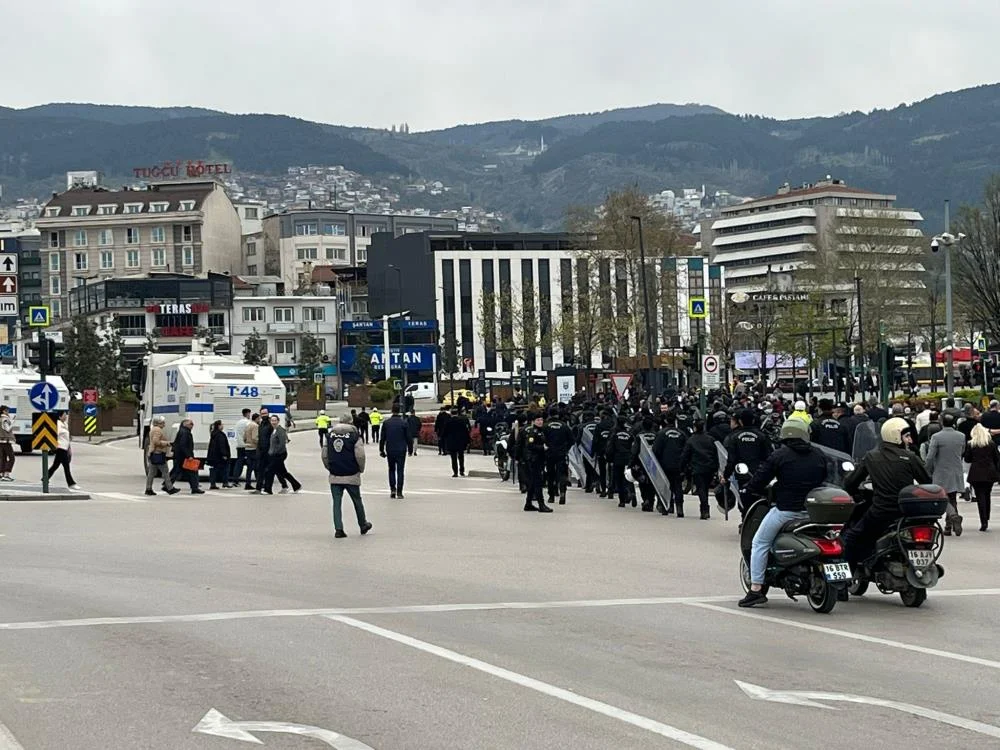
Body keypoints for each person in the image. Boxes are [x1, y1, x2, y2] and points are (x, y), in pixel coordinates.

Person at [738, 419, 828, 608]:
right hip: (813, 511)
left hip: (787, 511)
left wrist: (749, 488)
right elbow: (824, 478)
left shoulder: (780, 455)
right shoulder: (819, 455)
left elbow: (761, 479)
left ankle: (755, 589)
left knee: (759, 542)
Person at [842, 417, 931, 563]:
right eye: (907, 436)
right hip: (907, 512)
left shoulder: (871, 457)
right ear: (896, 436)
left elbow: (851, 482)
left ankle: (845, 577)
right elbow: (927, 481)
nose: (910, 441)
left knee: (851, 537)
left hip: (881, 511)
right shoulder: (910, 457)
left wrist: (851, 490)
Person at [323, 414, 372, 538]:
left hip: (335, 473)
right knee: (357, 500)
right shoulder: (355, 436)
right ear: (351, 422)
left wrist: (329, 467)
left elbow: (324, 454)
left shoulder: (330, 436)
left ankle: (338, 529)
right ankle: (363, 524)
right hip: (351, 473)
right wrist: (360, 469)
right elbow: (360, 455)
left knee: (336, 502)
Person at [924, 413, 965, 536]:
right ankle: (949, 525)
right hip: (956, 470)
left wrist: (926, 469)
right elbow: (962, 451)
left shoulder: (936, 437)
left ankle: (952, 516)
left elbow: (930, 457)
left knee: (942, 497)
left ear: (942, 423)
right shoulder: (961, 436)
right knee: (952, 498)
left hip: (941, 471)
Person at [680, 419, 718, 520]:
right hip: (709, 467)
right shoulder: (711, 439)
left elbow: (685, 455)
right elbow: (716, 453)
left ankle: (704, 509)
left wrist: (682, 468)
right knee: (705, 487)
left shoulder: (691, 440)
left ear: (695, 427)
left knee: (701, 488)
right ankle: (705, 508)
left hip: (697, 467)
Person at [964, 423, 998, 532]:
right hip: (990, 472)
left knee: (980, 497)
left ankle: (983, 521)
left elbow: (967, 459)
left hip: (976, 473)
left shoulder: (971, 444)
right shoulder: (991, 444)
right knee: (987, 494)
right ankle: (986, 516)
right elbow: (997, 458)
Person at [652, 411, 687, 516]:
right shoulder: (682, 434)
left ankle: (666, 506)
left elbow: (656, 450)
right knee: (677, 486)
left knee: (665, 486)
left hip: (664, 464)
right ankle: (679, 508)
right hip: (678, 464)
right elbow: (686, 449)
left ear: (666, 420)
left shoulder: (661, 434)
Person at [521, 413, 553, 513]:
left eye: (541, 420)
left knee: (532, 483)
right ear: (533, 421)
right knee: (538, 482)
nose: (540, 422)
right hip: (534, 460)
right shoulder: (532, 431)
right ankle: (541, 504)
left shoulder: (541, 431)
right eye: (538, 420)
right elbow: (529, 445)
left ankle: (528, 503)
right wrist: (542, 448)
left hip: (539, 459)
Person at [379, 405, 411, 498]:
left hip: (390, 449)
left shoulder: (386, 423)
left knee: (391, 469)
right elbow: (408, 437)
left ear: (392, 410)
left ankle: (393, 489)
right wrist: (410, 449)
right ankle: (399, 491)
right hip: (401, 449)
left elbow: (382, 438)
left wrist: (381, 450)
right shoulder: (404, 423)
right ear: (399, 411)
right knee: (400, 470)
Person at [264, 414, 302, 494]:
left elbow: (281, 444)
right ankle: (296, 485)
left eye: (275, 420)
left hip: (279, 455)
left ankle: (268, 490)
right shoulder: (274, 430)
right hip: (273, 454)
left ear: (278, 421)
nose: (273, 422)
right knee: (282, 472)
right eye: (272, 420)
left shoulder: (280, 430)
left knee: (269, 471)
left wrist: (274, 453)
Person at [543, 407, 574, 505]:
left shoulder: (545, 426)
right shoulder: (564, 426)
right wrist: (566, 448)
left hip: (549, 453)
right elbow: (572, 440)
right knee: (562, 474)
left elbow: (541, 439)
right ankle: (563, 492)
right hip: (561, 453)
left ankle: (551, 495)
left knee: (550, 474)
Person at [144, 415, 179, 496]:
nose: (164, 424)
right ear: (158, 423)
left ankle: (148, 488)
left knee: (151, 473)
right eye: (162, 423)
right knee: (165, 471)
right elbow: (156, 441)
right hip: (158, 453)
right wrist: (167, 443)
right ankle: (170, 488)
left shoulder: (154, 429)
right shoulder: (157, 430)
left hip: (154, 453)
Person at [48, 411, 81, 489]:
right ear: (60, 417)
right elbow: (55, 434)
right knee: (66, 466)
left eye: (66, 415)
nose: (66, 416)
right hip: (60, 448)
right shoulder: (58, 424)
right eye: (64, 415)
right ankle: (71, 483)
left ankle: (44, 479)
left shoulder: (64, 424)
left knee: (55, 466)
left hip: (64, 448)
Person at [172, 418, 204, 494]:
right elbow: (183, 445)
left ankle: (167, 485)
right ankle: (194, 488)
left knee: (179, 471)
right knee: (192, 471)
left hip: (180, 456)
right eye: (191, 424)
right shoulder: (185, 433)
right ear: (185, 424)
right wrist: (189, 455)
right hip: (184, 456)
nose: (192, 426)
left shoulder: (183, 431)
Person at [442, 407, 470, 477]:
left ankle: (455, 472)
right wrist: (468, 440)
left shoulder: (448, 422)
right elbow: (466, 431)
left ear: (451, 414)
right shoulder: (461, 421)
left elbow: (445, 432)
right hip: (460, 442)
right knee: (461, 457)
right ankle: (462, 471)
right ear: (457, 413)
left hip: (452, 442)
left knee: (453, 458)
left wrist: (444, 439)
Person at [207, 420, 232, 490]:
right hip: (220, 456)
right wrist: (224, 454)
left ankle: (213, 483)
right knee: (225, 469)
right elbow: (222, 445)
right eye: (222, 425)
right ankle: (225, 482)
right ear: (219, 426)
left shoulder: (214, 434)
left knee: (214, 469)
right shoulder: (220, 434)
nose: (223, 426)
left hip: (214, 456)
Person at [233, 408, 252, 483]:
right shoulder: (248, 423)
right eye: (249, 414)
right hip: (246, 445)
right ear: (247, 414)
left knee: (239, 462)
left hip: (239, 445)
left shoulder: (238, 422)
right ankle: (248, 480)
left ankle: (235, 478)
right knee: (250, 463)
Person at [242, 413, 260, 490]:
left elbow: (244, 437)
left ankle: (247, 483)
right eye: (259, 418)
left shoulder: (248, 425)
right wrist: (260, 443)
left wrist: (246, 443)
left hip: (247, 448)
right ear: (256, 419)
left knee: (249, 468)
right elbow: (255, 438)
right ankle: (259, 483)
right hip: (253, 448)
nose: (260, 420)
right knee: (256, 467)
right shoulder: (255, 426)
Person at [0, 405, 15, 481]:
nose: (8, 412)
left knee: (3, 458)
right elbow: (7, 429)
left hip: (0, 441)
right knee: (12, 458)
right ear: (4, 411)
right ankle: (6, 474)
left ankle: (2, 474)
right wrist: (12, 422)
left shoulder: (0, 418)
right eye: (7, 411)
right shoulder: (5, 419)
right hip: (6, 441)